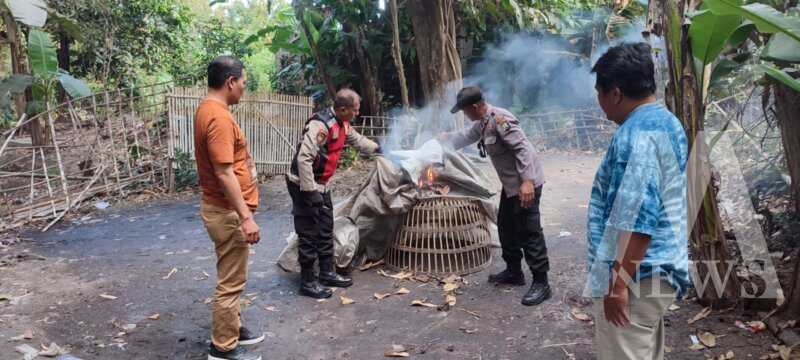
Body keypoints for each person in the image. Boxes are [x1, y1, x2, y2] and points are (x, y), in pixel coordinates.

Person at [585, 42, 690, 360]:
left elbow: (639, 221)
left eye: (599, 93)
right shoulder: (666, 121)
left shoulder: (636, 135)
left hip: (636, 279)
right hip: (656, 271)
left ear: (614, 93)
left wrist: (617, 286)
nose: (600, 102)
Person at [440, 86, 551, 306]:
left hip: (525, 184)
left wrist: (527, 182)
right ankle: (514, 271)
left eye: (464, 111)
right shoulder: (482, 123)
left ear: (475, 107)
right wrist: (442, 140)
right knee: (505, 226)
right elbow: (464, 137)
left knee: (529, 231)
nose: (465, 115)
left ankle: (542, 282)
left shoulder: (500, 119)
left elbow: (522, 149)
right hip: (511, 186)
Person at [194, 55, 264, 360]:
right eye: (244, 83)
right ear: (230, 82)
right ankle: (222, 348)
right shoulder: (219, 117)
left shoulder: (209, 109)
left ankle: (231, 327)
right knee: (231, 281)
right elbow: (224, 172)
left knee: (233, 274)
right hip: (228, 213)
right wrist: (246, 217)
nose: (244, 89)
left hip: (222, 209)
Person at [286, 88, 381, 299]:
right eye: (354, 111)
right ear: (342, 108)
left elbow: (357, 140)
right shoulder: (320, 125)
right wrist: (310, 193)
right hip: (304, 185)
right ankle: (308, 282)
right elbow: (304, 159)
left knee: (325, 227)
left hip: (321, 184)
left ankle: (327, 272)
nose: (357, 114)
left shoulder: (343, 123)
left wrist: (379, 148)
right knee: (309, 232)